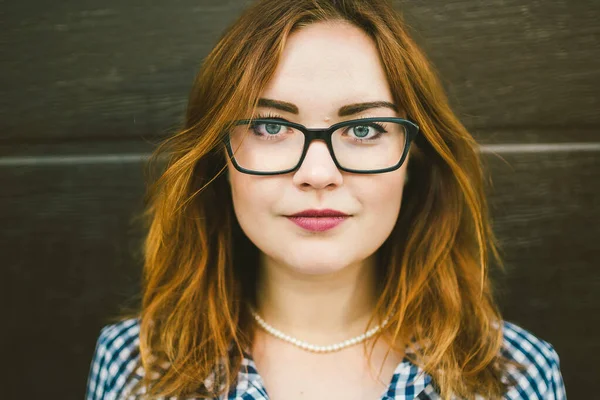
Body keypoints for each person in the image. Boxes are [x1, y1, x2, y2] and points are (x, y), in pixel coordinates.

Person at [86, 0, 566, 399]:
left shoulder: (514, 377)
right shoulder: (137, 368)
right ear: (219, 157)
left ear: (415, 159)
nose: (318, 173)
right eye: (270, 126)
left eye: (363, 128)